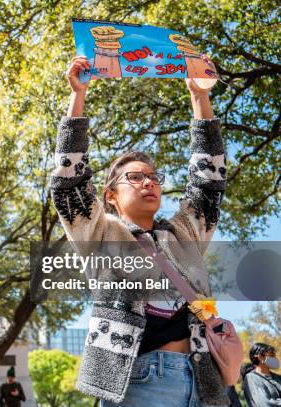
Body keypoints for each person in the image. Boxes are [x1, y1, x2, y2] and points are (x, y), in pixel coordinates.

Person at [51, 56, 231, 406]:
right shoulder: (101, 233)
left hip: (203, 383)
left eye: (153, 177)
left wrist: (199, 97)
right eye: (135, 177)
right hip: (136, 382)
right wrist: (78, 97)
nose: (148, 182)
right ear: (110, 196)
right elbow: (68, 185)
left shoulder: (181, 235)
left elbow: (209, 185)